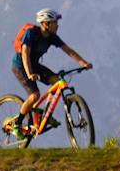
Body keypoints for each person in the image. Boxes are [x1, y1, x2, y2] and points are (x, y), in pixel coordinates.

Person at [6, 8, 92, 136]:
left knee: (58, 82)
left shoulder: (52, 37)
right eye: (54, 22)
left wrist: (83, 63)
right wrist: (29, 73)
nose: (57, 25)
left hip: (34, 65)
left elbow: (68, 50)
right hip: (20, 66)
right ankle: (17, 124)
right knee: (35, 95)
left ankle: (45, 114)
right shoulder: (31, 33)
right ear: (45, 23)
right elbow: (25, 53)